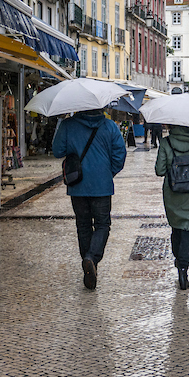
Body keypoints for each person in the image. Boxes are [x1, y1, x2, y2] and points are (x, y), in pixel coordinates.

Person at [52, 108, 126, 290]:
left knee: (83, 225)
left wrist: (66, 129)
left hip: (77, 184)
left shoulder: (68, 125)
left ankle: (88, 264)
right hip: (102, 186)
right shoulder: (109, 126)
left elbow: (57, 150)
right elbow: (120, 154)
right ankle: (91, 258)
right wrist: (108, 173)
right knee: (102, 225)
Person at [155, 124, 189, 290]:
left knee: (177, 227)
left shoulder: (166, 142)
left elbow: (159, 170)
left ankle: (179, 259)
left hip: (174, 193)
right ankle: (184, 267)